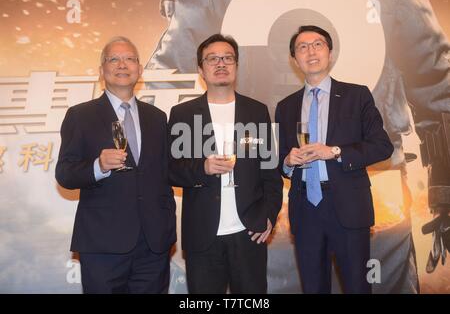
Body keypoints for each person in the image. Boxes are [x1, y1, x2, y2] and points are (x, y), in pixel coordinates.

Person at [275, 25, 394, 293]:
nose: (311, 51)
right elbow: (280, 160)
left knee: (356, 287)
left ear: (330, 52)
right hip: (305, 207)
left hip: (348, 206)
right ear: (294, 59)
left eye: (317, 44)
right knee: (313, 287)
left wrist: (336, 151)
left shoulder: (357, 95)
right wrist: (288, 162)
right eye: (302, 47)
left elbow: (382, 146)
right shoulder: (285, 106)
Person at [55, 36, 176, 294]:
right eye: (114, 59)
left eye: (130, 59)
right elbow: (65, 173)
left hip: (153, 244)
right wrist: (98, 165)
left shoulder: (157, 118)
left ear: (140, 69)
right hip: (103, 245)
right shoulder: (80, 115)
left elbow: (165, 172)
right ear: (102, 70)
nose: (123, 64)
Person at [168, 34, 283, 293]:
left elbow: (270, 171)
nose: (221, 64)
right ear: (201, 69)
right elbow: (171, 169)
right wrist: (203, 168)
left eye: (227, 58)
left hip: (249, 232)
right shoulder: (183, 114)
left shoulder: (256, 111)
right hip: (203, 235)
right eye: (212, 59)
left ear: (236, 65)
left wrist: (268, 215)